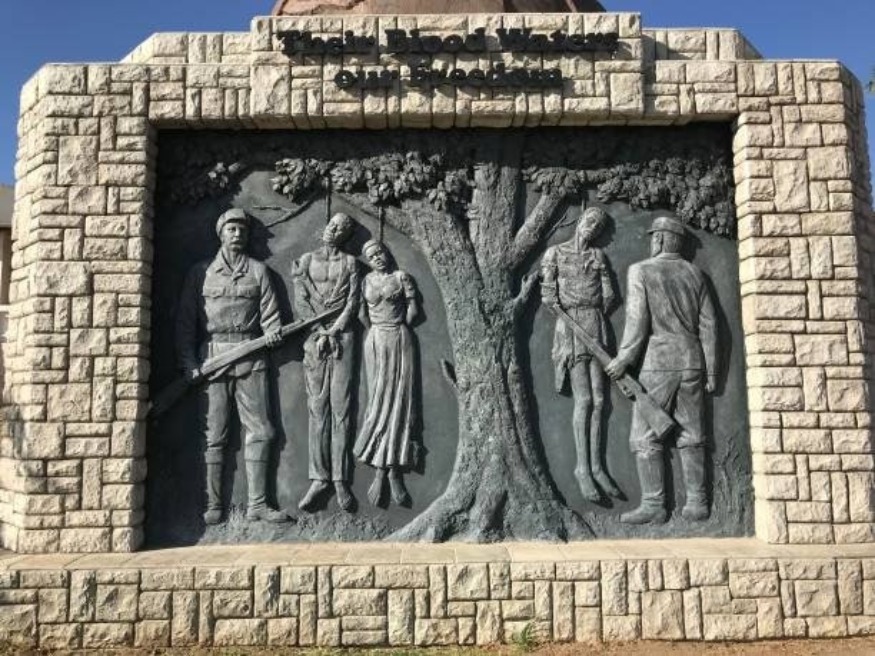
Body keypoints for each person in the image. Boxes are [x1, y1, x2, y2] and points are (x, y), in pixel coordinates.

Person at [176, 208, 289, 525]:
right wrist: (188, 362)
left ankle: (258, 505)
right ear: (221, 233)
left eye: (242, 230)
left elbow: (271, 318)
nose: (237, 234)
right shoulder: (201, 273)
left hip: (251, 358)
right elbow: (186, 323)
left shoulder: (259, 271)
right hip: (213, 361)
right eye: (231, 229)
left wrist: (273, 333)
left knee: (262, 431)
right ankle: (213, 505)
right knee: (214, 434)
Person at [605, 214, 718, 524]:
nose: (652, 241)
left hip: (658, 364)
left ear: (661, 239)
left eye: (654, 236)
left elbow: (637, 320)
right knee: (692, 432)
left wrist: (624, 359)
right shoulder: (695, 274)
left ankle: (655, 505)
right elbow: (709, 326)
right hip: (692, 361)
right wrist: (711, 371)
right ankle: (697, 503)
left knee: (645, 435)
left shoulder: (641, 270)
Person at [541, 206, 622, 503]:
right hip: (570, 326)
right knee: (584, 399)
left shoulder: (598, 256)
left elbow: (609, 296)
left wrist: (593, 308)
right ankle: (582, 469)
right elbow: (548, 296)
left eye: (598, 226)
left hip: (595, 324)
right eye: (590, 222)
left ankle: (598, 467)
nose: (592, 228)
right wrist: (570, 310)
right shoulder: (555, 254)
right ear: (580, 222)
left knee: (600, 400)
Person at [293, 212, 360, 512]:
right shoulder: (306, 261)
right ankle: (319, 478)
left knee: (341, 409)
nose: (333, 230)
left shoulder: (351, 263)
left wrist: (334, 331)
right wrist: (320, 331)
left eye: (340, 228)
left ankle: (340, 479)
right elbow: (301, 301)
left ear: (346, 235)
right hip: (314, 340)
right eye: (332, 224)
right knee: (317, 409)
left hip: (343, 339)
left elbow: (353, 301)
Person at [354, 240, 420, 507]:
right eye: (371, 256)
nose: (377, 258)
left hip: (399, 340)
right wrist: (376, 332)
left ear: (387, 252)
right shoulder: (366, 281)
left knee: (399, 405)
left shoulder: (401, 277)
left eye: (380, 252)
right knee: (377, 402)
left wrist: (398, 326)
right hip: (376, 342)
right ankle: (378, 470)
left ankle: (393, 472)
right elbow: (361, 313)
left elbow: (413, 309)